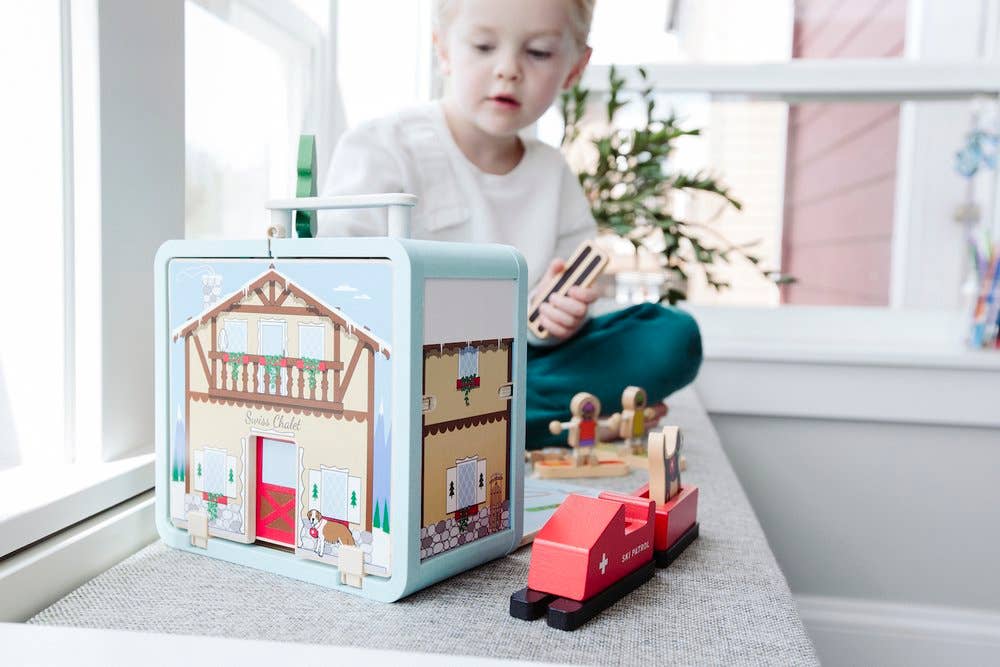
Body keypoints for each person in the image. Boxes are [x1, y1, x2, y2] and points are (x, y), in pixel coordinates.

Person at [319, 0, 702, 449]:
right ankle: (541, 423)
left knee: (672, 336)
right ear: (443, 49)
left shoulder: (553, 174)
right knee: (369, 377)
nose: (508, 70)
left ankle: (485, 426)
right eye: (483, 46)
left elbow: (553, 326)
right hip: (406, 371)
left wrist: (561, 322)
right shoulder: (381, 145)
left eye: (538, 52)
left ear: (574, 70)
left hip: (511, 369)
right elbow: (336, 294)